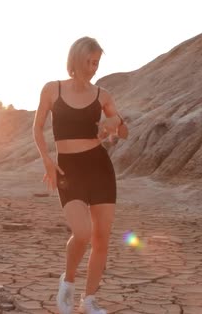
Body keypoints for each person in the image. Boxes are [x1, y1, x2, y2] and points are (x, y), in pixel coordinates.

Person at [32, 36, 128, 314]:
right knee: (82, 232)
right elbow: (37, 128)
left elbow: (123, 131)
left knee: (101, 237)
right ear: (75, 59)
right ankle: (68, 283)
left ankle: (89, 300)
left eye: (96, 62)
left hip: (99, 167)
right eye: (88, 61)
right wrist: (47, 161)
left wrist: (116, 123)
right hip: (68, 169)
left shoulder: (103, 95)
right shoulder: (52, 90)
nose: (92, 67)